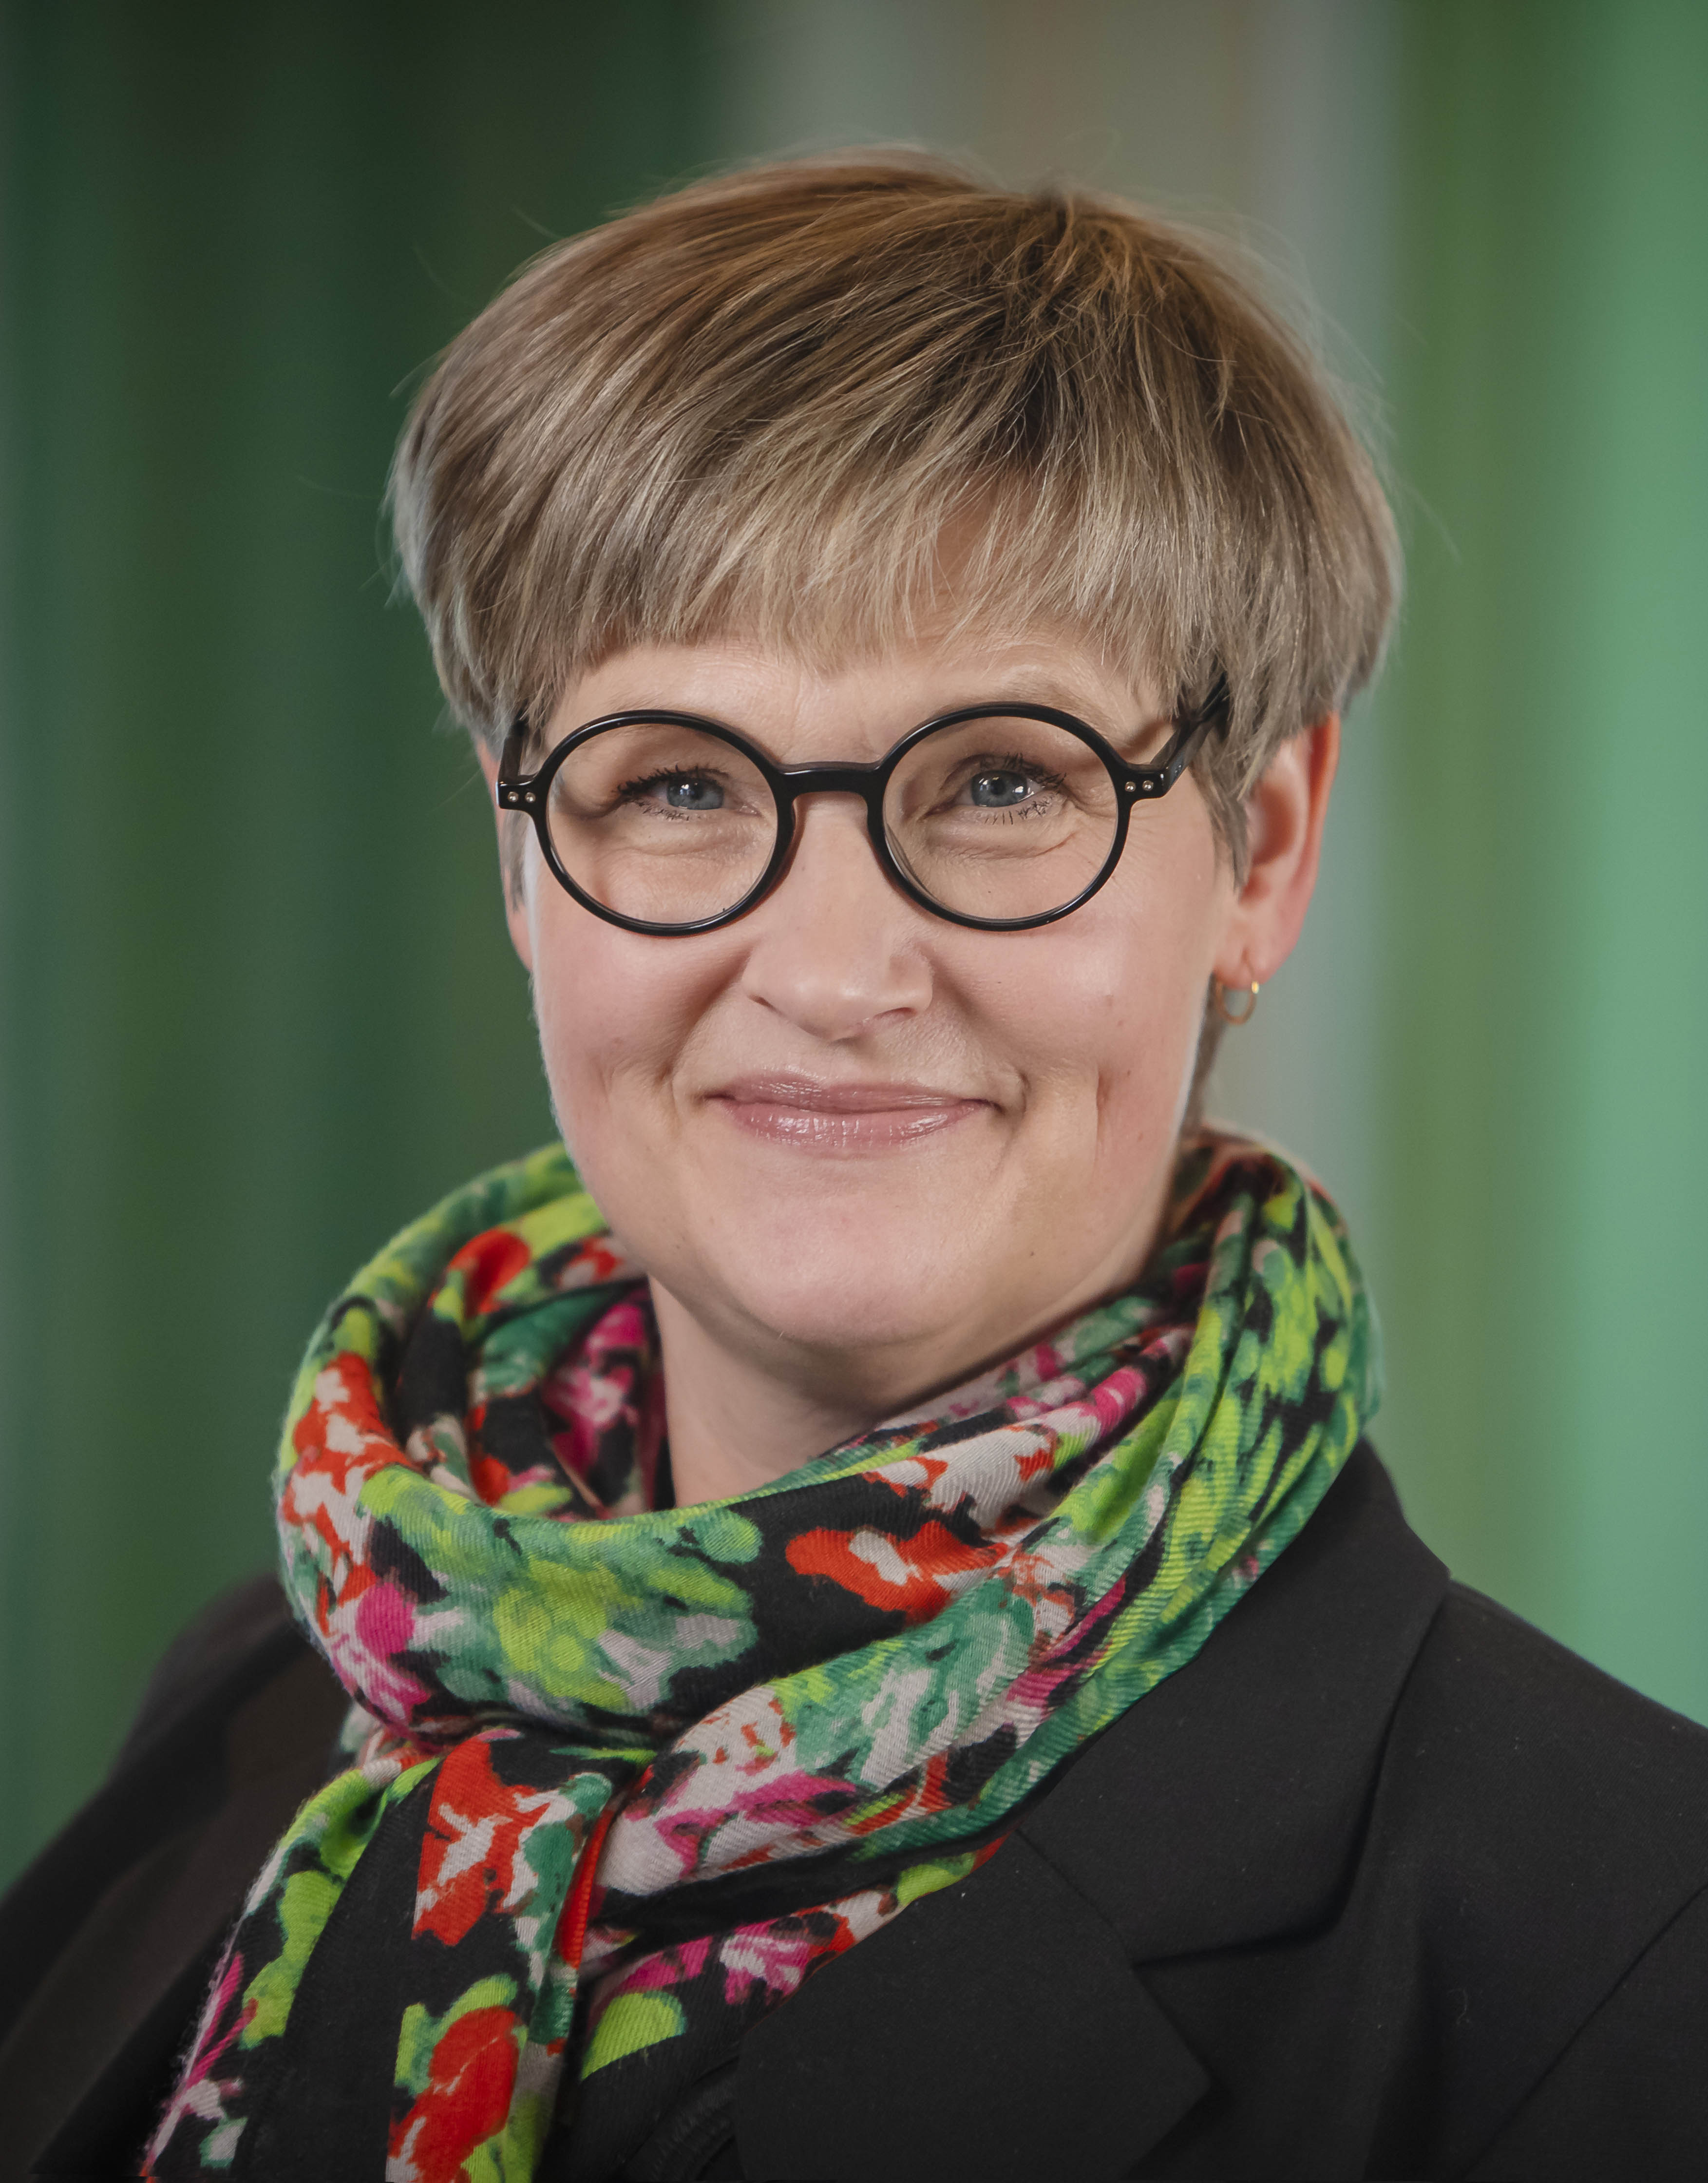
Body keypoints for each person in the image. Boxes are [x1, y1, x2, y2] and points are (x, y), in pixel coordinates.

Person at [3, 155, 1705, 2183]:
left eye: (998, 780)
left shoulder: (1627, 1948)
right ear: (523, 860)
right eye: (677, 783)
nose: (827, 970)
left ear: (1258, 851)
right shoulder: (260, 1696)